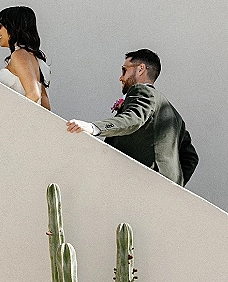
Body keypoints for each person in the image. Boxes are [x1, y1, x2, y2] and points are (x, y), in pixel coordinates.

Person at [66, 49, 198, 186]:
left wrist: (94, 128)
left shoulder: (142, 91)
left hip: (142, 182)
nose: (121, 78)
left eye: (124, 70)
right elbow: (191, 157)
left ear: (141, 69)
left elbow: (134, 118)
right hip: (164, 190)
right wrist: (176, 185)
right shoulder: (175, 116)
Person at [0, 6, 50, 110]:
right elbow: (46, 106)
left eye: (1, 26)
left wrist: (11, 118)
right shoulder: (38, 60)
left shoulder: (19, 55)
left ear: (13, 27)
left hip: (16, 122)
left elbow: (34, 95)